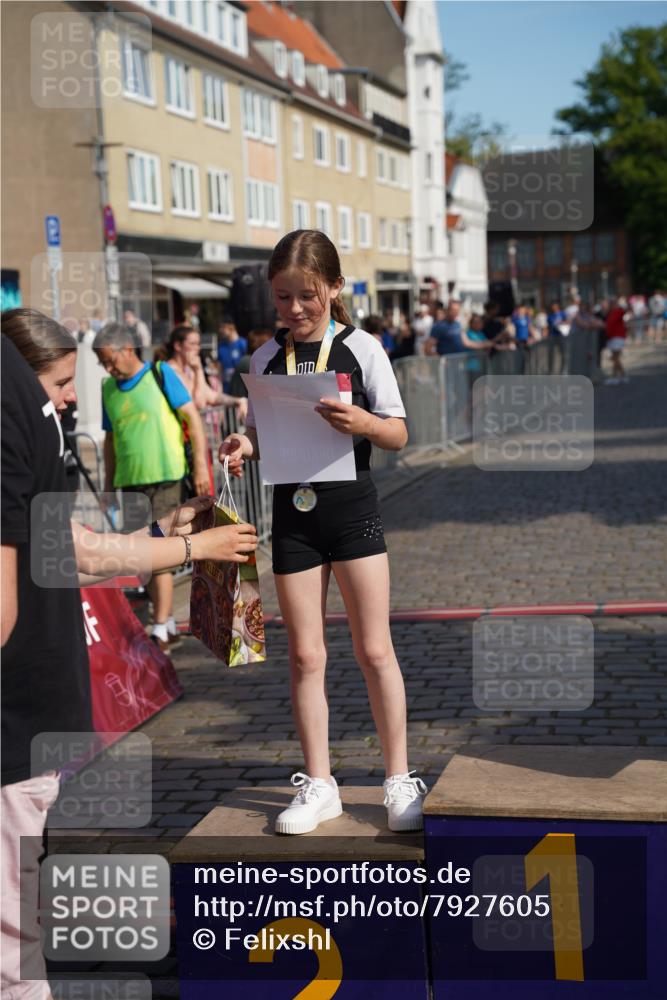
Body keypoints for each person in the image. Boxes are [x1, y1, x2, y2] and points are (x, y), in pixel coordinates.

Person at [1, 308, 257, 1000]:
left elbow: (70, 550)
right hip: (22, 719)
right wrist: (187, 548)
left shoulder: (29, 430)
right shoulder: (19, 423)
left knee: (20, 907)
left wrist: (162, 530)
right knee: (14, 951)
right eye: (57, 384)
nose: (71, 397)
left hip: (33, 719)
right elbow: (75, 551)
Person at [220, 229, 426, 835]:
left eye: (306, 296)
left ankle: (397, 777)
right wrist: (244, 444)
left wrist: (364, 421)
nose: (294, 310)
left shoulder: (363, 348)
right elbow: (262, 433)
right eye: (282, 298)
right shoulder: (263, 358)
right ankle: (320, 783)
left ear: (334, 288)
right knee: (306, 655)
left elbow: (398, 433)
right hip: (294, 520)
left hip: (353, 510)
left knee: (374, 649)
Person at [93, 322, 211, 652]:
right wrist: (106, 486)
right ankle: (167, 624)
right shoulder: (108, 388)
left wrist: (201, 465)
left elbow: (193, 418)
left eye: (110, 360)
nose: (108, 368)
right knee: (139, 558)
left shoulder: (160, 374)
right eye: (103, 363)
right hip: (130, 482)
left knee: (157, 553)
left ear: (127, 350)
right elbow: (110, 440)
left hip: (165, 477)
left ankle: (160, 625)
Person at [158, 324, 245, 414]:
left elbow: (212, 396)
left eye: (198, 344)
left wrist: (238, 400)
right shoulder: (169, 371)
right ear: (178, 346)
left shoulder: (189, 371)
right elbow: (199, 403)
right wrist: (198, 369)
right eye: (192, 344)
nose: (197, 348)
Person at [218, 317, 248, 393]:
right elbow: (220, 368)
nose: (220, 330)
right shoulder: (221, 346)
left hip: (241, 388)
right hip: (226, 389)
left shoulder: (243, 344)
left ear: (231, 327)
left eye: (223, 327)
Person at [604, 297, 628, 384]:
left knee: (615, 358)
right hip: (613, 337)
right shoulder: (612, 312)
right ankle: (620, 375)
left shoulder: (617, 311)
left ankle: (617, 376)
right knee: (615, 358)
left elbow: (610, 323)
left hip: (617, 337)